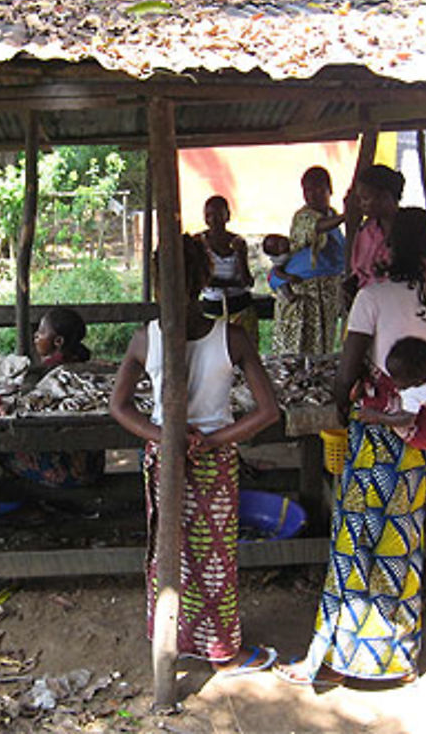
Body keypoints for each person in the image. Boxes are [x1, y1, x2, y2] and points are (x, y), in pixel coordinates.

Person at [276, 208, 426, 686]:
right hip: (421, 444)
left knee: (353, 541)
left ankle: (335, 660)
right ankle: (397, 659)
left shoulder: (371, 298)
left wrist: (344, 409)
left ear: (388, 247)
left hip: (376, 439)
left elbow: (347, 370)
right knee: (402, 539)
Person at [109, 234, 281, 673]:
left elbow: (119, 406)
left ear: (155, 284)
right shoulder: (232, 337)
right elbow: (267, 411)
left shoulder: (144, 339)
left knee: (169, 552)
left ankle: (171, 637)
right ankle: (222, 650)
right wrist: (215, 439)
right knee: (215, 556)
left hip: (166, 458)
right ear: (205, 277)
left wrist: (162, 435)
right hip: (213, 463)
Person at [0, 308, 105, 488]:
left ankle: (22, 501)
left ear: (58, 341)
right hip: (94, 466)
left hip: (69, 472)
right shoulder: (84, 365)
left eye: (41, 332)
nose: (36, 336)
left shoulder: (47, 374)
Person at [270, 166, 346, 355]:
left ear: (330, 190)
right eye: (308, 190)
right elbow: (317, 227)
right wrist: (347, 216)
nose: (313, 195)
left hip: (325, 295)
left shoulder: (332, 215)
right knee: (296, 347)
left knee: (321, 346)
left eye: (320, 190)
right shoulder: (303, 216)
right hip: (301, 293)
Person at [346, 165, 426, 303]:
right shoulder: (366, 232)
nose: (360, 204)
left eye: (365, 198)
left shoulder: (417, 229)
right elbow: (359, 273)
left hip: (410, 308)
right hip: (373, 310)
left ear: (385, 197)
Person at [357, 336, 426, 451]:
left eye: (396, 377)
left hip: (424, 437)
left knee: (389, 403)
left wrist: (378, 417)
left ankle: (366, 398)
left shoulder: (412, 393)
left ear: (416, 382)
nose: (394, 379)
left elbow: (406, 420)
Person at [197, 195, 258, 347]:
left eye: (218, 214)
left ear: (228, 216)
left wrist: (239, 255)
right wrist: (233, 283)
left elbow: (247, 281)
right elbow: (202, 280)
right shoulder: (198, 243)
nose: (214, 219)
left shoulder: (237, 242)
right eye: (209, 215)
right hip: (212, 309)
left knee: (244, 355)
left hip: (240, 307)